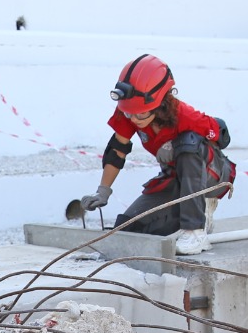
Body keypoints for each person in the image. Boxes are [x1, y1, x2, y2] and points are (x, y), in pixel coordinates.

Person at [78, 54, 236, 255]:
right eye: (129, 114)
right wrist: (103, 191)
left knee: (189, 143)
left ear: (161, 103)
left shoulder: (186, 116)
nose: (134, 119)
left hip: (211, 175)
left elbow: (222, 135)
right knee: (130, 229)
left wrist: (176, 144)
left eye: (141, 114)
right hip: (174, 178)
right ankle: (189, 218)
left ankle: (196, 231)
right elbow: (117, 150)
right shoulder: (131, 109)